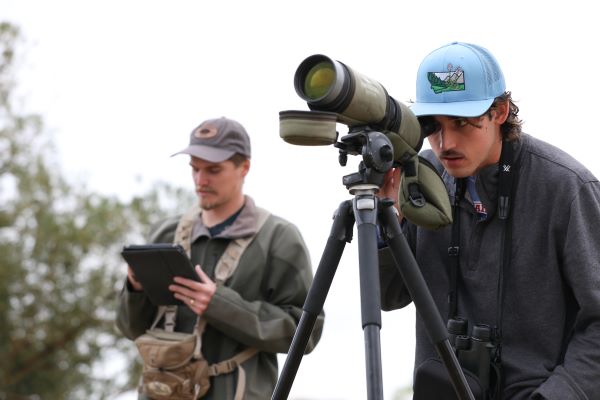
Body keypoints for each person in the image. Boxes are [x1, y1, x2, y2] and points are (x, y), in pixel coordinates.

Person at [378, 42, 600, 400]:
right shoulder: (419, 179)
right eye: (432, 125)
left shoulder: (566, 188)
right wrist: (384, 221)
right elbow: (388, 296)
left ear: (500, 111)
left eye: (463, 123)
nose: (444, 142)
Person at [117, 116, 324, 399]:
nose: (201, 181)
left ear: (244, 167)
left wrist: (219, 304)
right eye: (195, 169)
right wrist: (136, 289)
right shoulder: (165, 232)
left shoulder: (279, 238)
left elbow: (306, 333)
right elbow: (130, 328)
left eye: (213, 170)